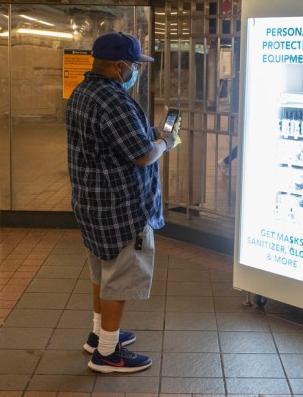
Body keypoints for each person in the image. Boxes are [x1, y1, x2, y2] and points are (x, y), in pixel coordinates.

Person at [65, 31, 180, 373]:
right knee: (120, 277)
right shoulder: (114, 100)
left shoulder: (82, 93)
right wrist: (167, 143)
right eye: (134, 65)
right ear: (118, 66)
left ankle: (99, 334)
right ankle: (108, 354)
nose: (136, 71)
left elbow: (115, 141)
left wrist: (150, 134)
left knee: (102, 272)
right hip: (121, 208)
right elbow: (142, 156)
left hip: (92, 202)